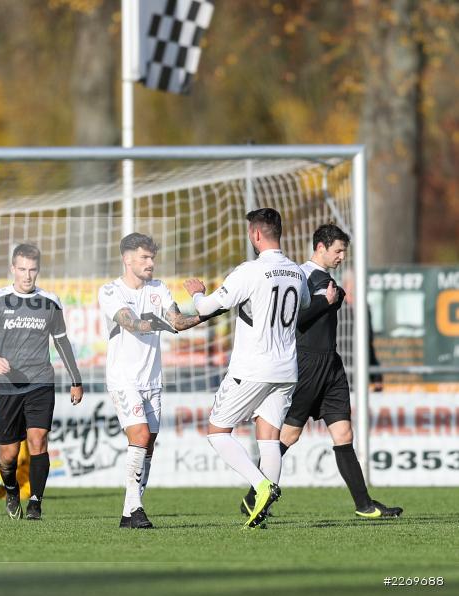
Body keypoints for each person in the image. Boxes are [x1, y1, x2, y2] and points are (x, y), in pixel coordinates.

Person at [239, 224, 401, 519]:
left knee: (344, 433)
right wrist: (324, 301)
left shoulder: (326, 279)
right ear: (320, 247)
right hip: (307, 363)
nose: (341, 256)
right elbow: (292, 319)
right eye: (338, 250)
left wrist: (333, 298)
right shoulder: (299, 276)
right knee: (288, 435)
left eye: (344, 251)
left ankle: (364, 505)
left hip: (332, 364)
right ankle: (253, 496)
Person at [184, 207, 310, 529]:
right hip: (286, 369)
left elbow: (208, 307)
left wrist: (197, 292)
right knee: (269, 437)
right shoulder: (296, 272)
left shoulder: (250, 271)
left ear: (255, 235)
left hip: (253, 367)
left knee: (217, 431)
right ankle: (261, 513)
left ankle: (262, 485)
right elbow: (305, 303)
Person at [98, 233, 215, 529]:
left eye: (152, 258)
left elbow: (176, 321)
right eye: (144, 258)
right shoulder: (111, 291)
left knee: (148, 444)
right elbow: (131, 323)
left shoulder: (158, 288)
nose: (151, 263)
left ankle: (129, 512)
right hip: (124, 379)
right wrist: (159, 323)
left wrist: (211, 310)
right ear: (127, 259)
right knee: (138, 436)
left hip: (152, 379)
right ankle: (136, 509)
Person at [0, 243, 83, 521]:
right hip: (6, 385)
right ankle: (12, 492)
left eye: (32, 270)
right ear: (13, 268)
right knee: (8, 455)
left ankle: (35, 501)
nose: (27, 275)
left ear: (38, 270)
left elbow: (61, 342)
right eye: (22, 269)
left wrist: (76, 379)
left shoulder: (50, 301)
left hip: (40, 381)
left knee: (39, 439)